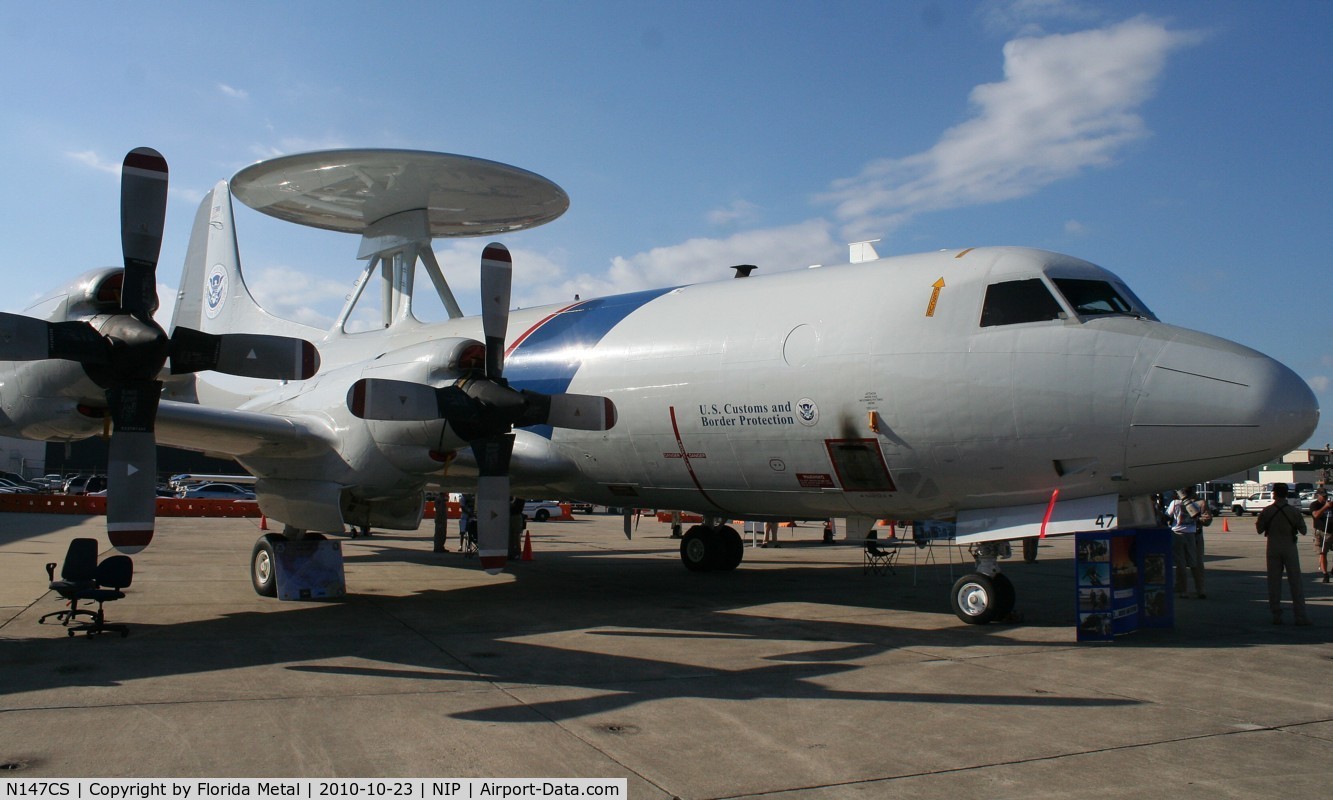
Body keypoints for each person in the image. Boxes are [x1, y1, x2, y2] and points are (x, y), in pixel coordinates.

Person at [1256, 483, 1310, 626]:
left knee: (1274, 582)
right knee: (1295, 582)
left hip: (1273, 547)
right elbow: (1303, 530)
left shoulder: (1267, 511)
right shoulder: (1293, 511)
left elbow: (1259, 529)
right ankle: (1300, 616)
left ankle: (1276, 615)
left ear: (1274, 494)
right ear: (1286, 494)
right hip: (1289, 547)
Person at [1166, 487, 1206, 598]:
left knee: (1181, 564)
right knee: (1194, 563)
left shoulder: (1175, 503)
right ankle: (1200, 590)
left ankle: (1183, 591)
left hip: (1177, 534)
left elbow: (1167, 516)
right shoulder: (1198, 504)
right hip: (1191, 534)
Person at [1310, 487, 1332, 582]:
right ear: (1318, 495)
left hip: (1332, 531)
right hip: (1321, 531)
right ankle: (1325, 573)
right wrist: (1325, 507)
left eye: (1325, 496)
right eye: (1322, 496)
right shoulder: (1315, 505)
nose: (1324, 498)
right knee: (1323, 553)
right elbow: (1316, 515)